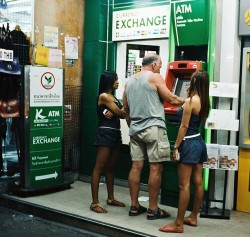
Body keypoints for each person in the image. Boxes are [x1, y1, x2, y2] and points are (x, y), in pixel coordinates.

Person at [122, 53, 185, 220]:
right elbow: (170, 98)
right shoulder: (155, 77)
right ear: (154, 65)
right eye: (161, 65)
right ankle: (153, 209)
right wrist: (188, 101)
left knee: (136, 167)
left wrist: (133, 127)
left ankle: (134, 206)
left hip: (135, 129)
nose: (161, 68)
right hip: (153, 128)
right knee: (156, 168)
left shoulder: (129, 82)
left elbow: (125, 110)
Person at [159, 70, 210, 233]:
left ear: (194, 82)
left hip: (188, 143)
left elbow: (184, 126)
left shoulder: (190, 101)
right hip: (199, 142)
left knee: (184, 185)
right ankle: (193, 216)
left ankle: (178, 223)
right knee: (198, 182)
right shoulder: (204, 100)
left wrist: (176, 147)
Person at [90, 70, 126, 213]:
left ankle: (111, 198)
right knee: (99, 168)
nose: (118, 81)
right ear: (109, 81)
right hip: (105, 133)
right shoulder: (104, 96)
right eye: (116, 79)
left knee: (111, 167)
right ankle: (94, 203)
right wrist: (119, 110)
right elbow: (122, 113)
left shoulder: (112, 97)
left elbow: (121, 112)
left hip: (115, 134)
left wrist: (119, 109)